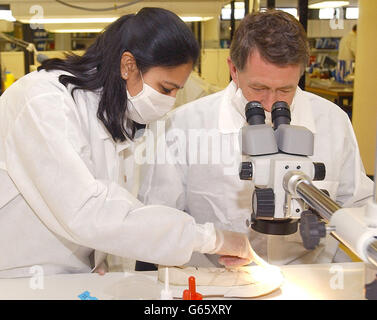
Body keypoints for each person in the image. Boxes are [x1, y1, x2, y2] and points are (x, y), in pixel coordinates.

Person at [0, 7, 257, 278]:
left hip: (71, 277)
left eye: (175, 92)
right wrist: (211, 238)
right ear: (128, 66)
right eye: (165, 88)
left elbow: (121, 210)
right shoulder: (42, 102)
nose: (169, 101)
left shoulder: (115, 117)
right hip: (17, 277)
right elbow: (87, 211)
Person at [138, 11, 373, 267]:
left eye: (285, 89)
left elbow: (356, 206)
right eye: (259, 89)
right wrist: (208, 243)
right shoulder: (182, 126)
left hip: (307, 275)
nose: (272, 104)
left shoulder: (332, 121)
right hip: (214, 281)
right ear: (233, 70)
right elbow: (157, 220)